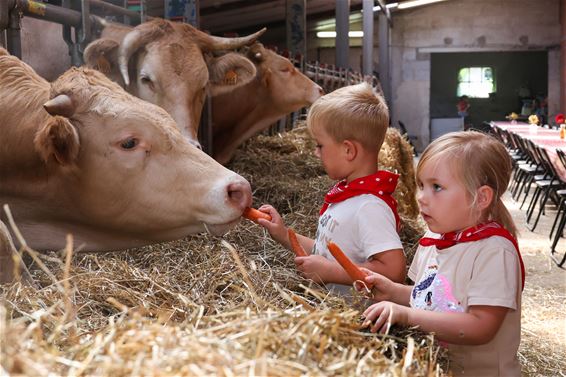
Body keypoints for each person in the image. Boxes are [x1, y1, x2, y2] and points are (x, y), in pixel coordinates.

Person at [358, 131, 525, 376]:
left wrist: (405, 315)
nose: (422, 198)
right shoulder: (433, 239)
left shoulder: (494, 252)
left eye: (437, 187)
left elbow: (481, 326)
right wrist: (393, 292)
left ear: (481, 198)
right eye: (421, 185)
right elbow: (431, 299)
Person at [256, 83, 406, 298]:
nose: (316, 153)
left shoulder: (369, 207)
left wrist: (330, 272)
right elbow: (322, 253)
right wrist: (282, 233)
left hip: (357, 320)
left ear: (348, 150)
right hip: (333, 311)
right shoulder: (347, 196)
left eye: (320, 145)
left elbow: (394, 273)